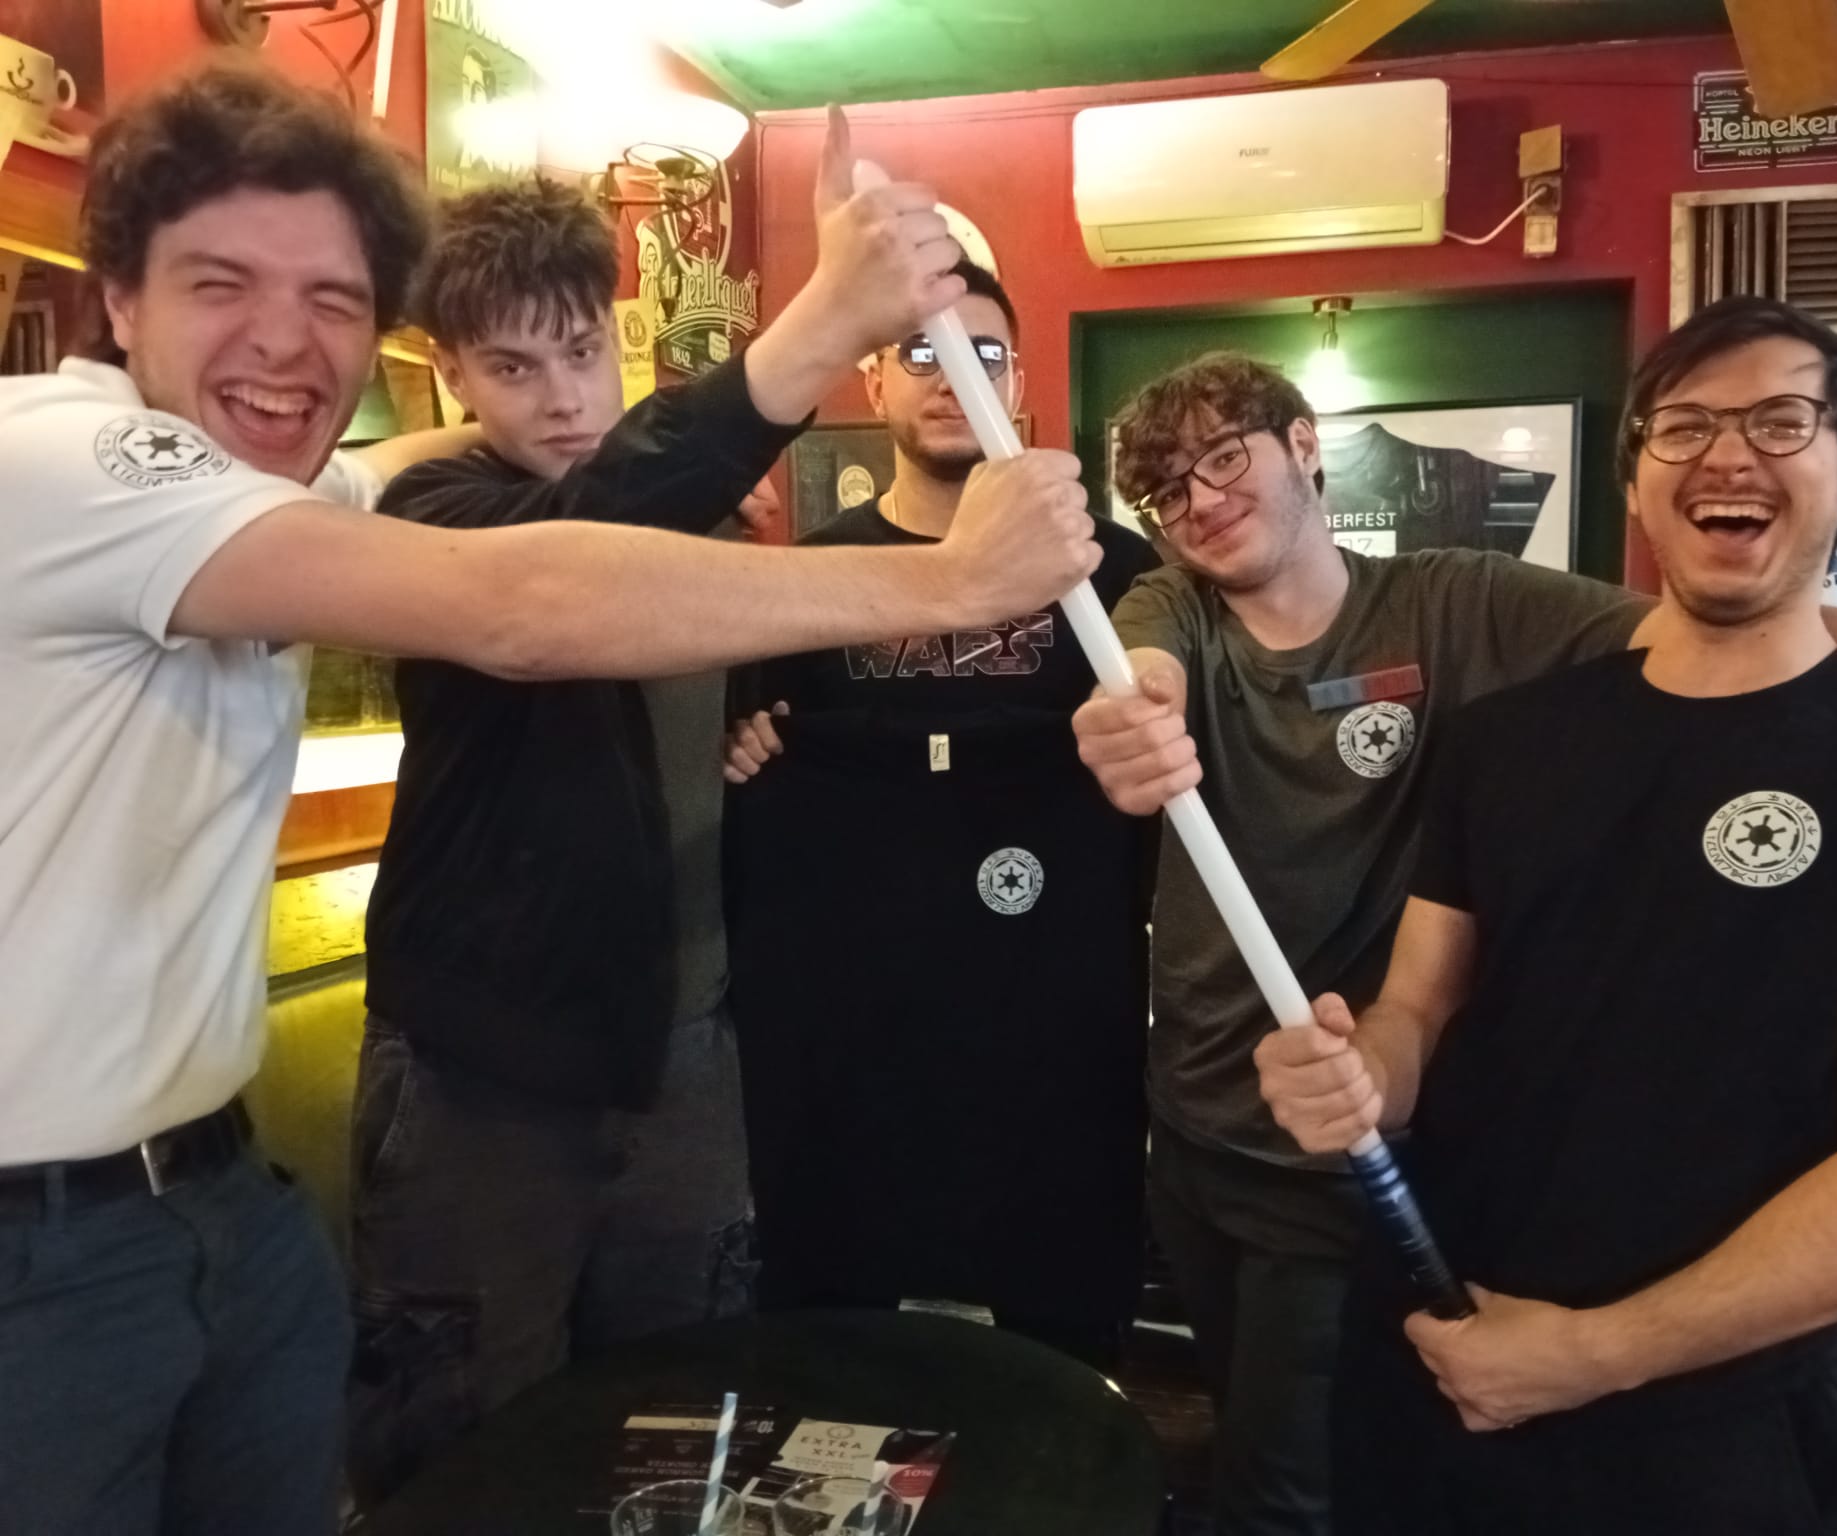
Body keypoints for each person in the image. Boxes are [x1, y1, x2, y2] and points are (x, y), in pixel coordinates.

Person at [0, 62, 1097, 1536]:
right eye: (221, 282)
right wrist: (944, 559)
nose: (285, 337)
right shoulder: (70, 457)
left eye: (332, 299)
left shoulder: (295, 487)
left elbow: (510, 509)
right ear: (119, 300)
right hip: (151, 1190)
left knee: (672, 1444)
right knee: (469, 1464)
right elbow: (524, 595)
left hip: (232, 1182)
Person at [1072, 350, 1837, 1535]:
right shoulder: (1174, 611)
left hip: (1352, 1148)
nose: (1202, 501)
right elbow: (1139, 663)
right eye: (1167, 491)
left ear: (1305, 445)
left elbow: (1754, 624)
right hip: (1197, 1130)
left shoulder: (1458, 603)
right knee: (1242, 1427)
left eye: (1226, 458)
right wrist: (1134, 710)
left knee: (1291, 1485)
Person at [344, 182, 807, 1500]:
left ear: (621, 335)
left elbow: (718, 701)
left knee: (681, 1439)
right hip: (486, 1072)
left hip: (686, 1053)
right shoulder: (435, 513)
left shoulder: (703, 522)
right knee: (466, 1454)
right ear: (450, 373)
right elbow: (565, 559)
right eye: (513, 367)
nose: (561, 396)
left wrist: (755, 717)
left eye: (582, 351)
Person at [721, 262, 1157, 1369]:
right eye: (921, 350)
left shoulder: (1110, 573)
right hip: (859, 1049)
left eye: (982, 352)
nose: (952, 373)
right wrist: (748, 745)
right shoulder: (810, 586)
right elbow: (747, 754)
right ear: (873, 381)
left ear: (1019, 385)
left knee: (1061, 1354)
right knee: (848, 1357)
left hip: (1056, 1047)